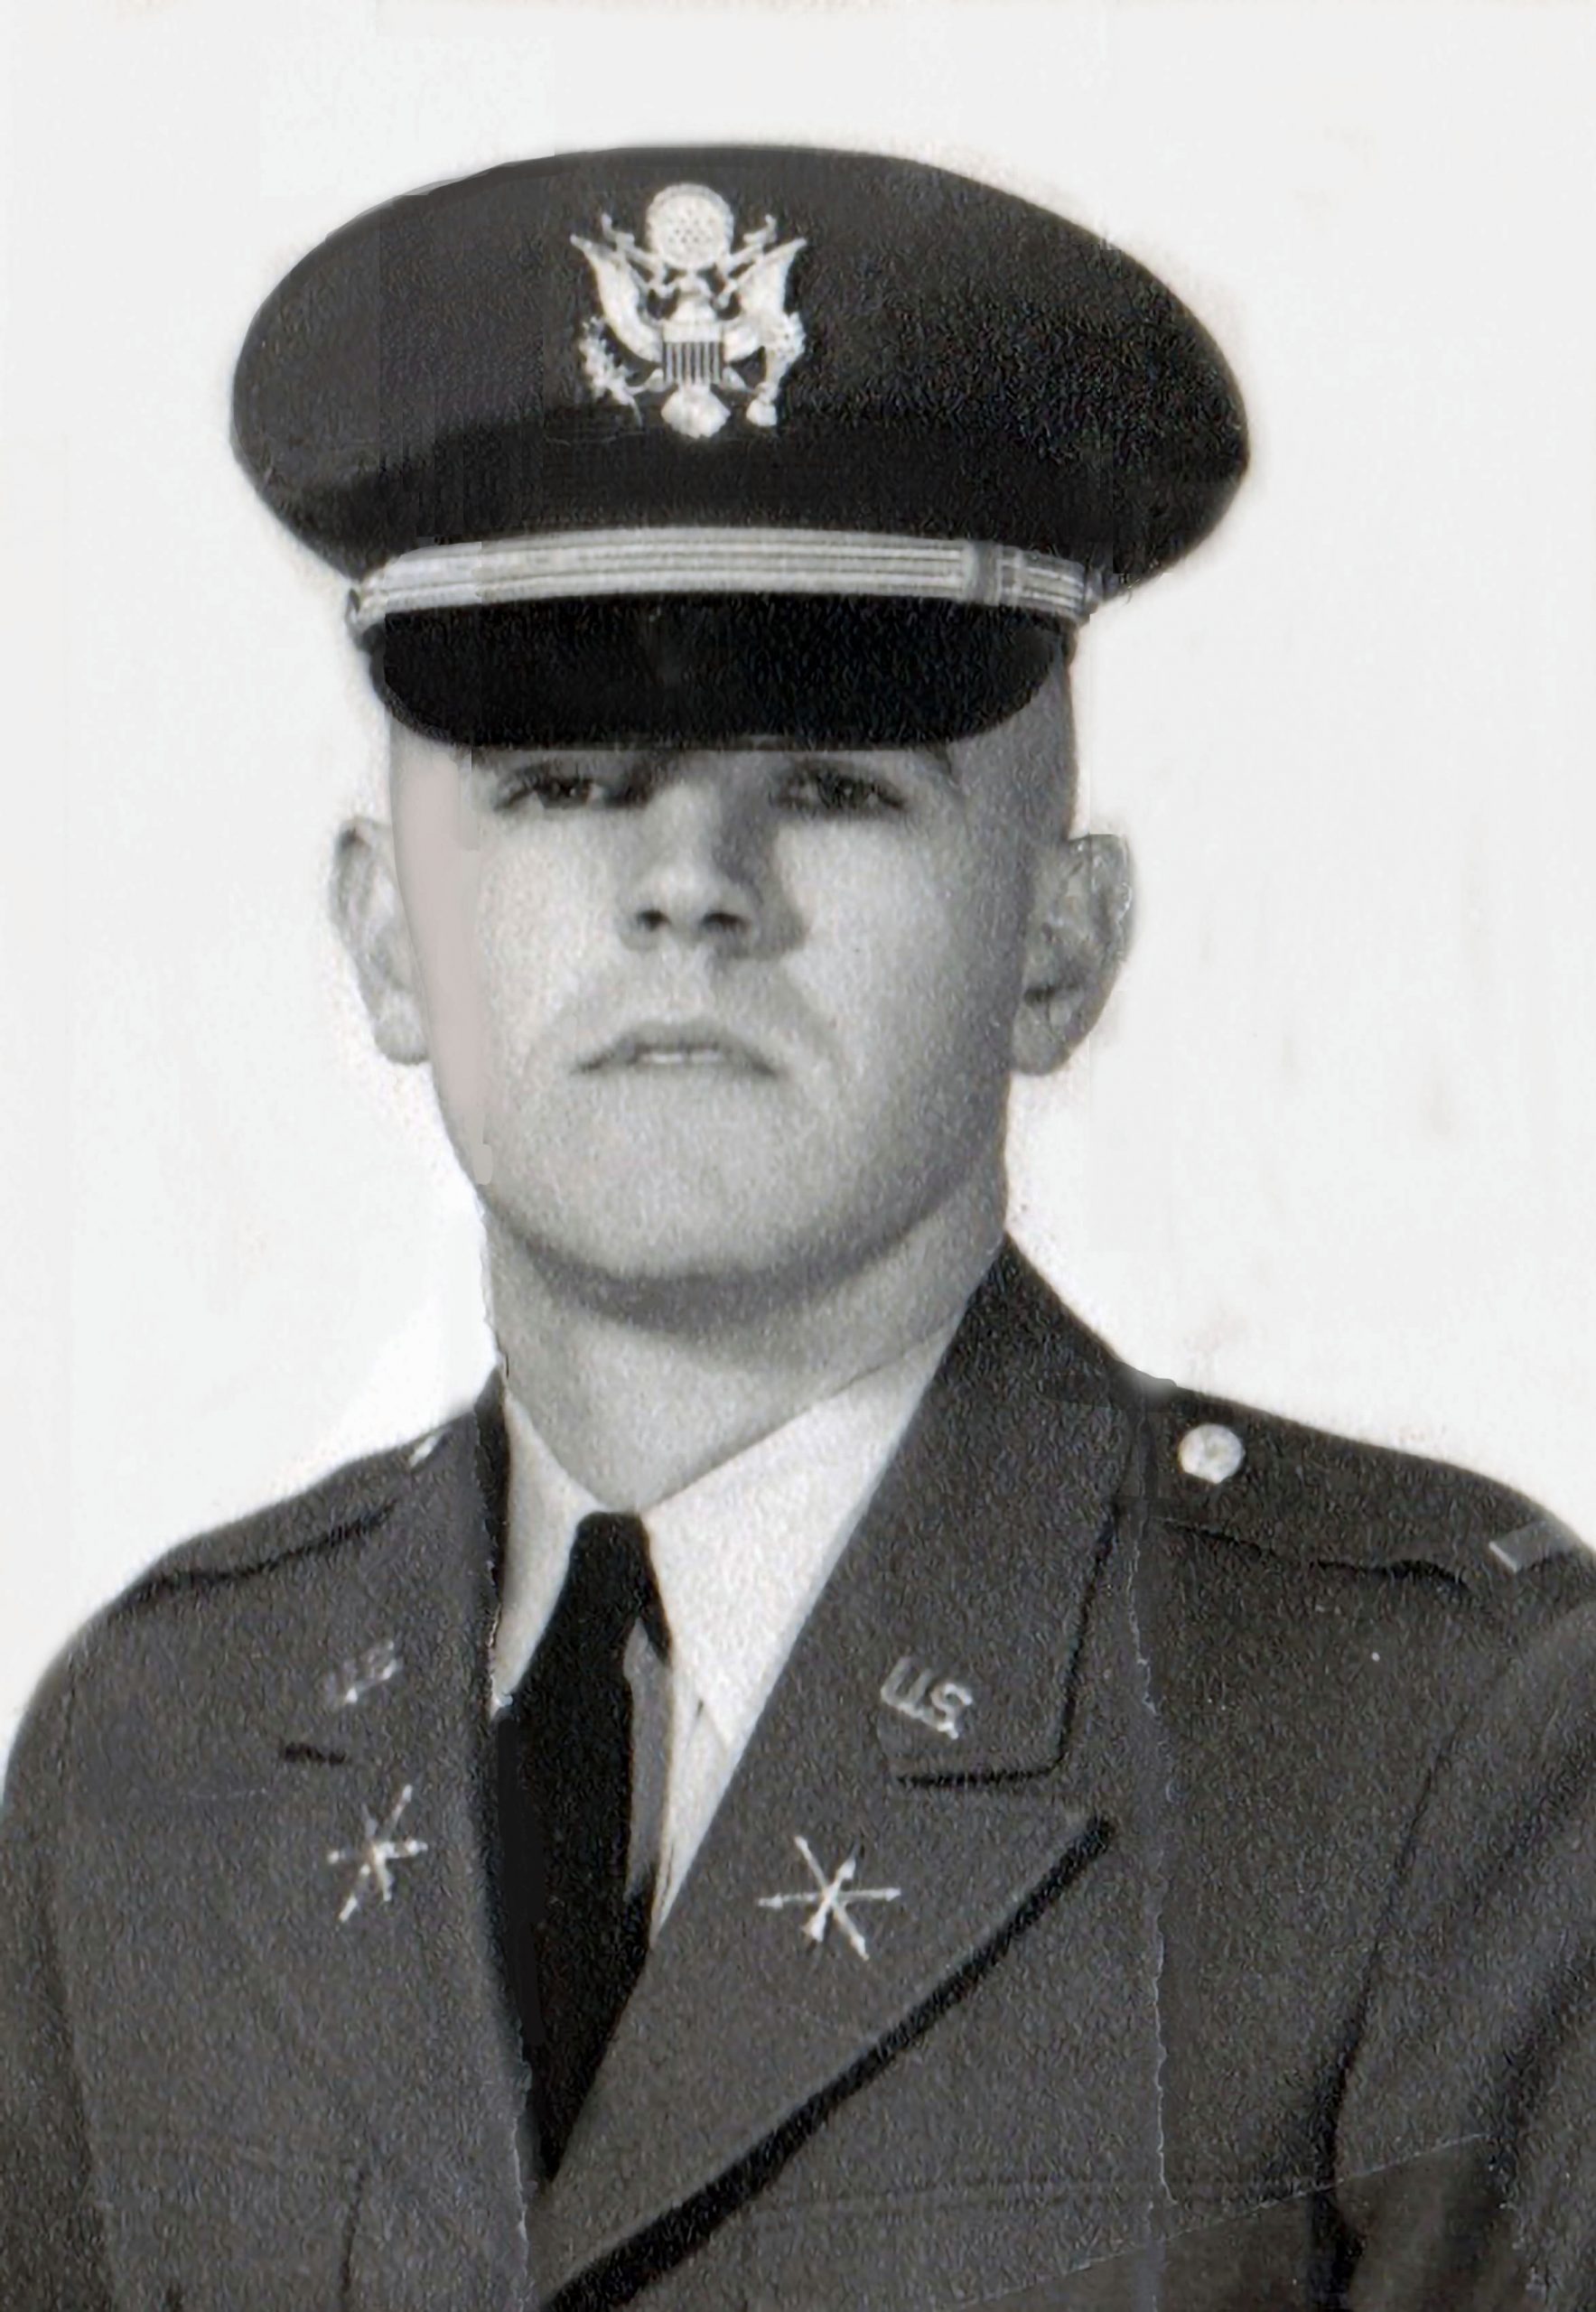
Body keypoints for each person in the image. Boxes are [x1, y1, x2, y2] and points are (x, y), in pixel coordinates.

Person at [2, 142, 1593, 2312]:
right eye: (563, 784)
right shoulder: (156, 1756)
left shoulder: (1429, 1751)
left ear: (1058, 943)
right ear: (384, 936)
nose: (690, 883)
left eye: (835, 783)